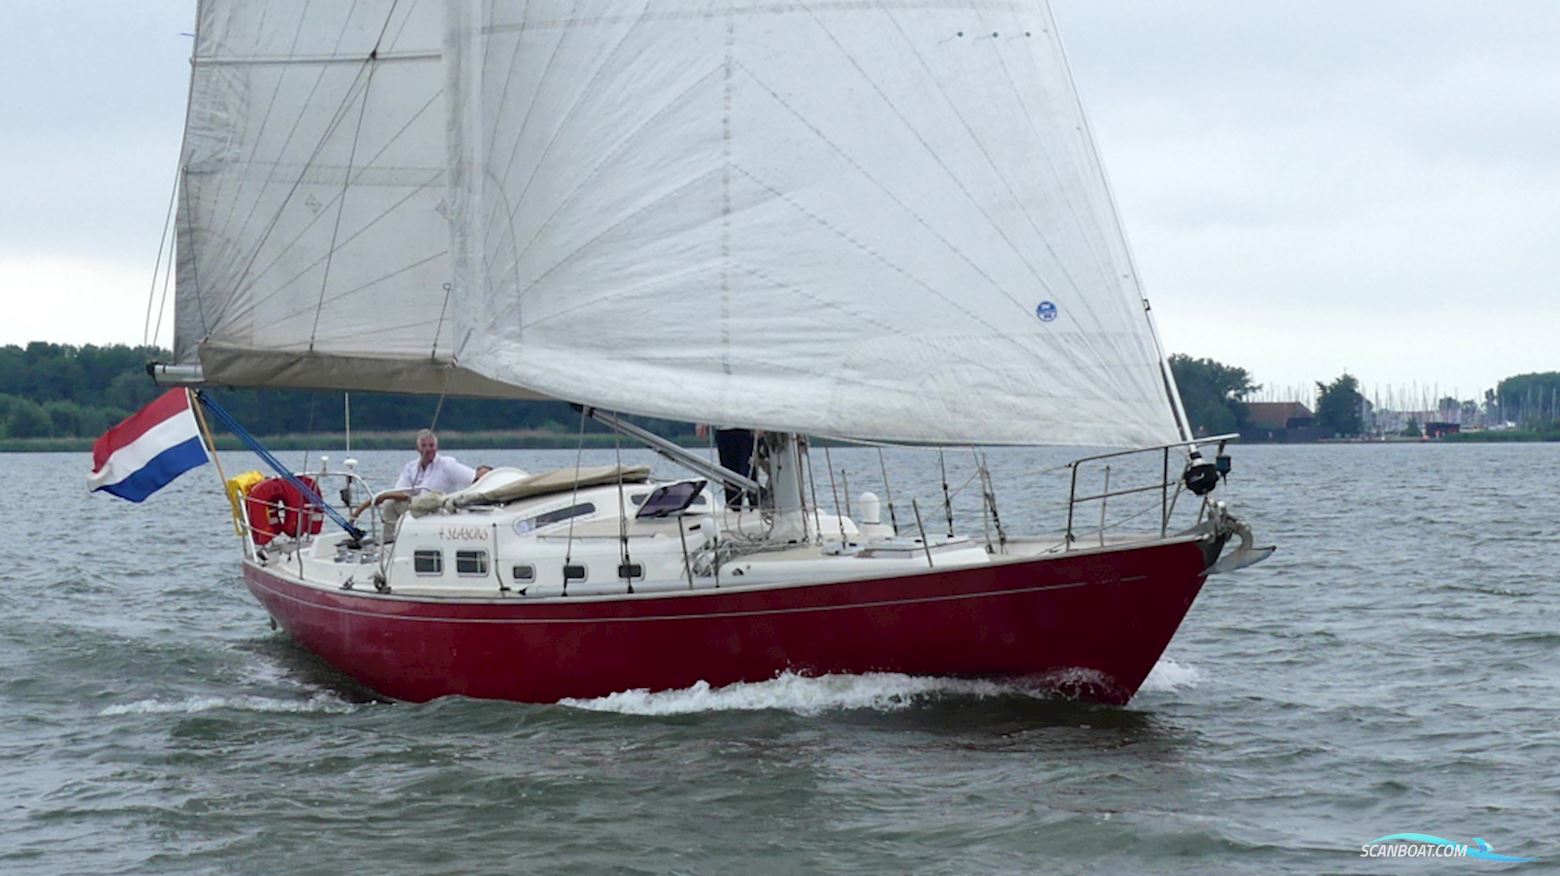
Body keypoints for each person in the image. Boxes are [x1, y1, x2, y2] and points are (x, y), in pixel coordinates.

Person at [350, 431, 479, 522]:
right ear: (417, 448)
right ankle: (390, 541)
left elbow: (474, 477)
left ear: (437, 447)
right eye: (423, 446)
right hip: (417, 507)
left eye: (431, 445)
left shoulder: (447, 465)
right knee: (390, 504)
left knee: (390, 501)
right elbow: (400, 492)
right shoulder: (410, 468)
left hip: (439, 509)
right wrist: (384, 497)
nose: (428, 449)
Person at [696, 424, 762, 506]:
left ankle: (755, 504)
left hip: (747, 429)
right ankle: (734, 506)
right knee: (728, 473)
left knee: (748, 471)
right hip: (723, 429)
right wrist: (702, 423)